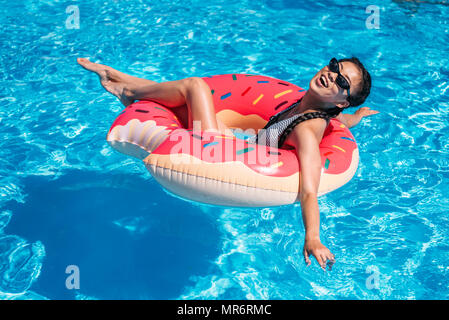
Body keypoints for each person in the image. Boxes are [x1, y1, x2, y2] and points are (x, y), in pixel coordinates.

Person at [77, 57, 379, 270]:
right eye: (335, 66)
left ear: (341, 99)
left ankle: (124, 87)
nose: (330, 74)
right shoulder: (314, 104)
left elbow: (310, 190)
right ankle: (120, 80)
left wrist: (312, 237)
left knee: (195, 87)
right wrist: (356, 118)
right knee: (185, 98)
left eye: (341, 81)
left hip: (217, 152)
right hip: (236, 143)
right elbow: (340, 121)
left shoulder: (306, 130)